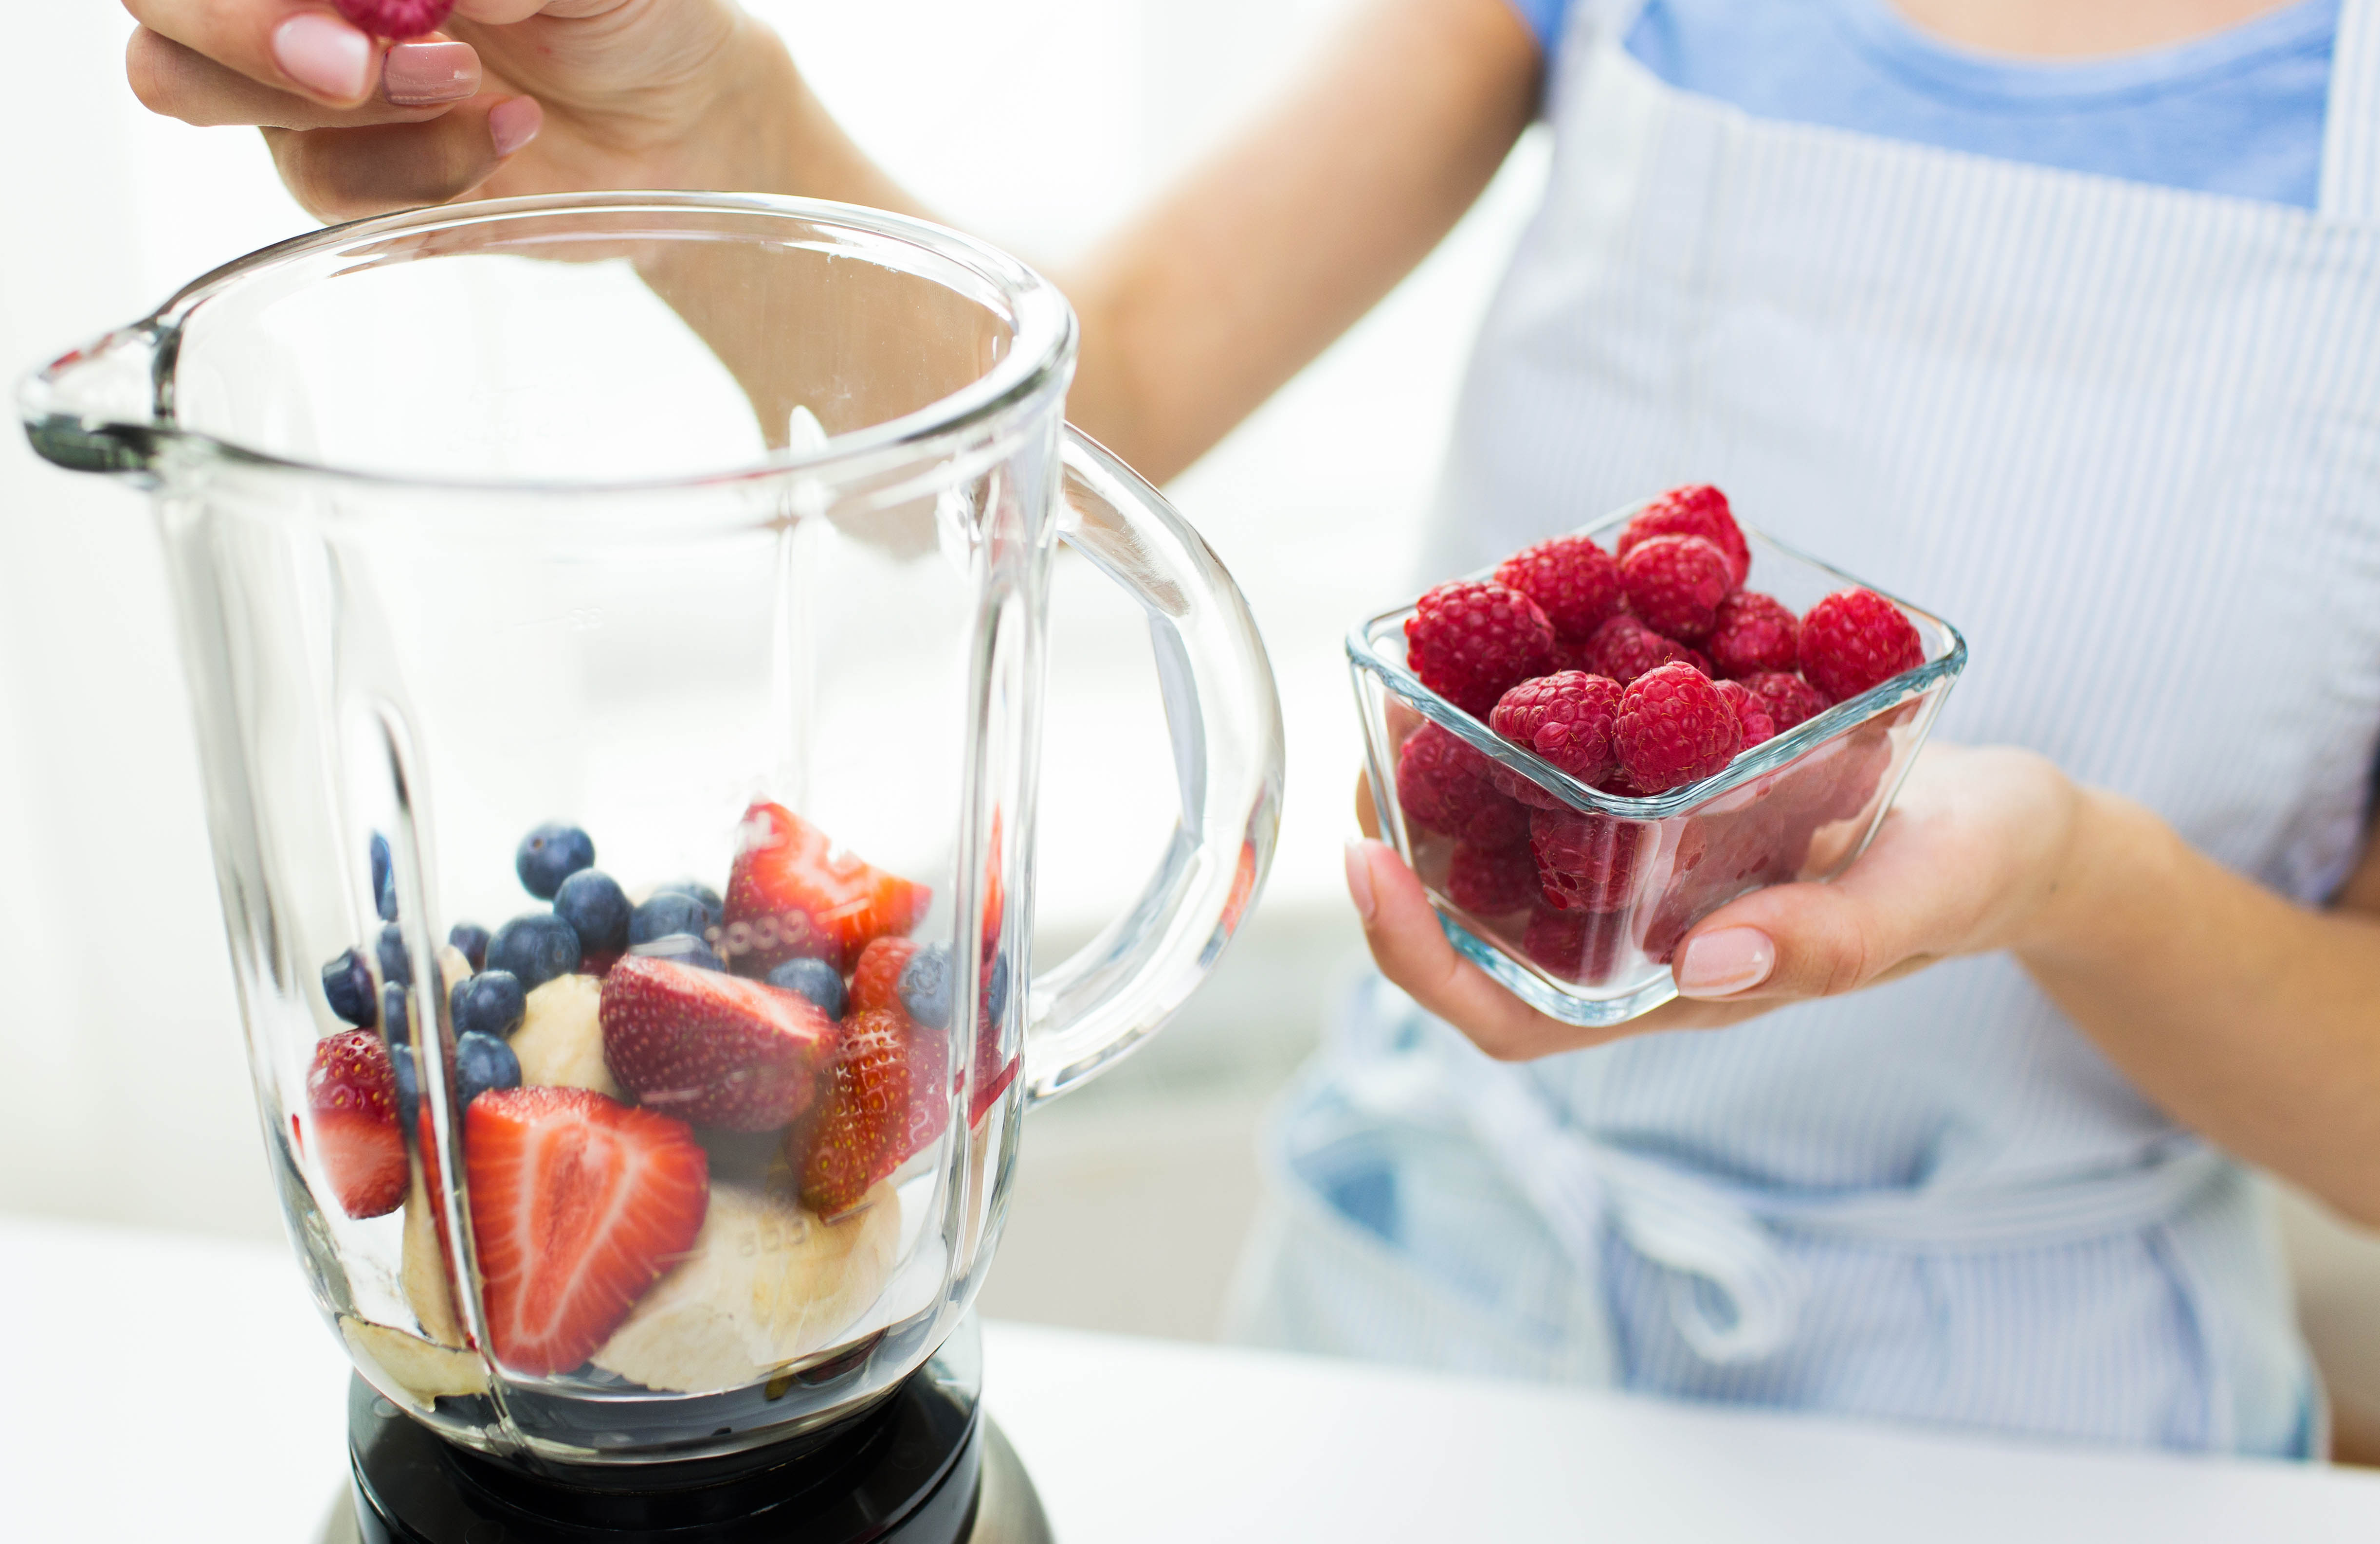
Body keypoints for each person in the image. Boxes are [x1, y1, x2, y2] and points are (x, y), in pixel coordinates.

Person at [122, 0, 2380, 1457]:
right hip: (1430, 1317)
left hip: (2051, 1424)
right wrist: (711, 113)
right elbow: (1112, 405)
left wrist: (2070, 871)